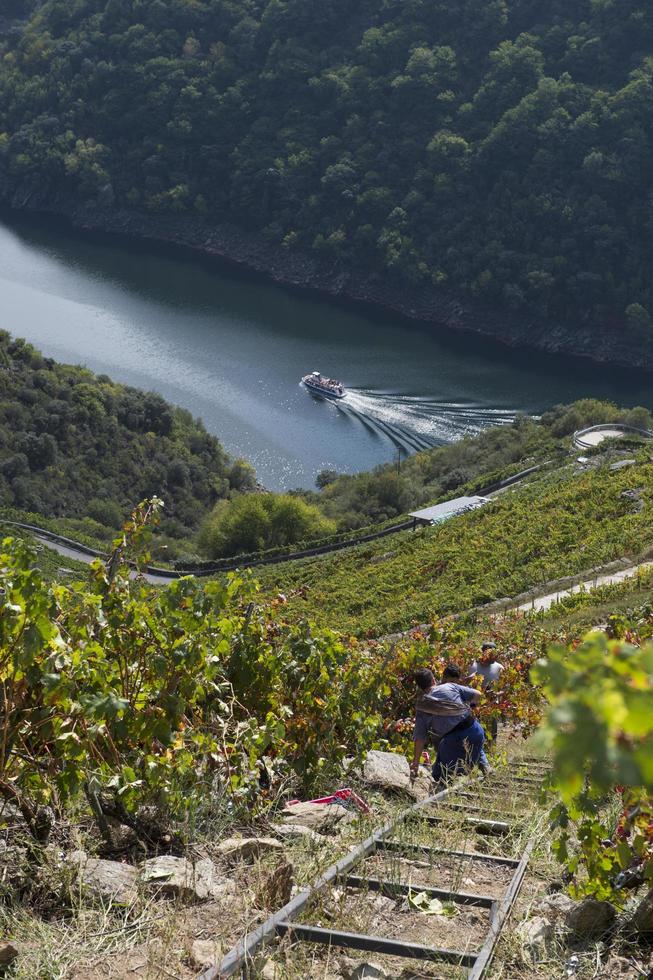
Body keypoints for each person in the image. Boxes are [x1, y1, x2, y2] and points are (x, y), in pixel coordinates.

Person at [410, 664, 490, 783]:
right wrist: (469, 706)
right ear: (433, 680)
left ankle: (445, 785)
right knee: (472, 742)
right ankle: (485, 767)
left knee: (439, 775)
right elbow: (478, 694)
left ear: (419, 686)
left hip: (454, 742)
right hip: (476, 732)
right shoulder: (450, 686)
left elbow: (420, 737)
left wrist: (415, 762)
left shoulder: (422, 706)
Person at [467, 642, 504, 742]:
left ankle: (491, 753)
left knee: (491, 735)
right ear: (484, 653)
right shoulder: (472, 665)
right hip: (473, 707)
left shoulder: (499, 668)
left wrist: (497, 694)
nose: (495, 657)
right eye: (492, 654)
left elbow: (505, 688)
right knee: (473, 735)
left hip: (491, 707)